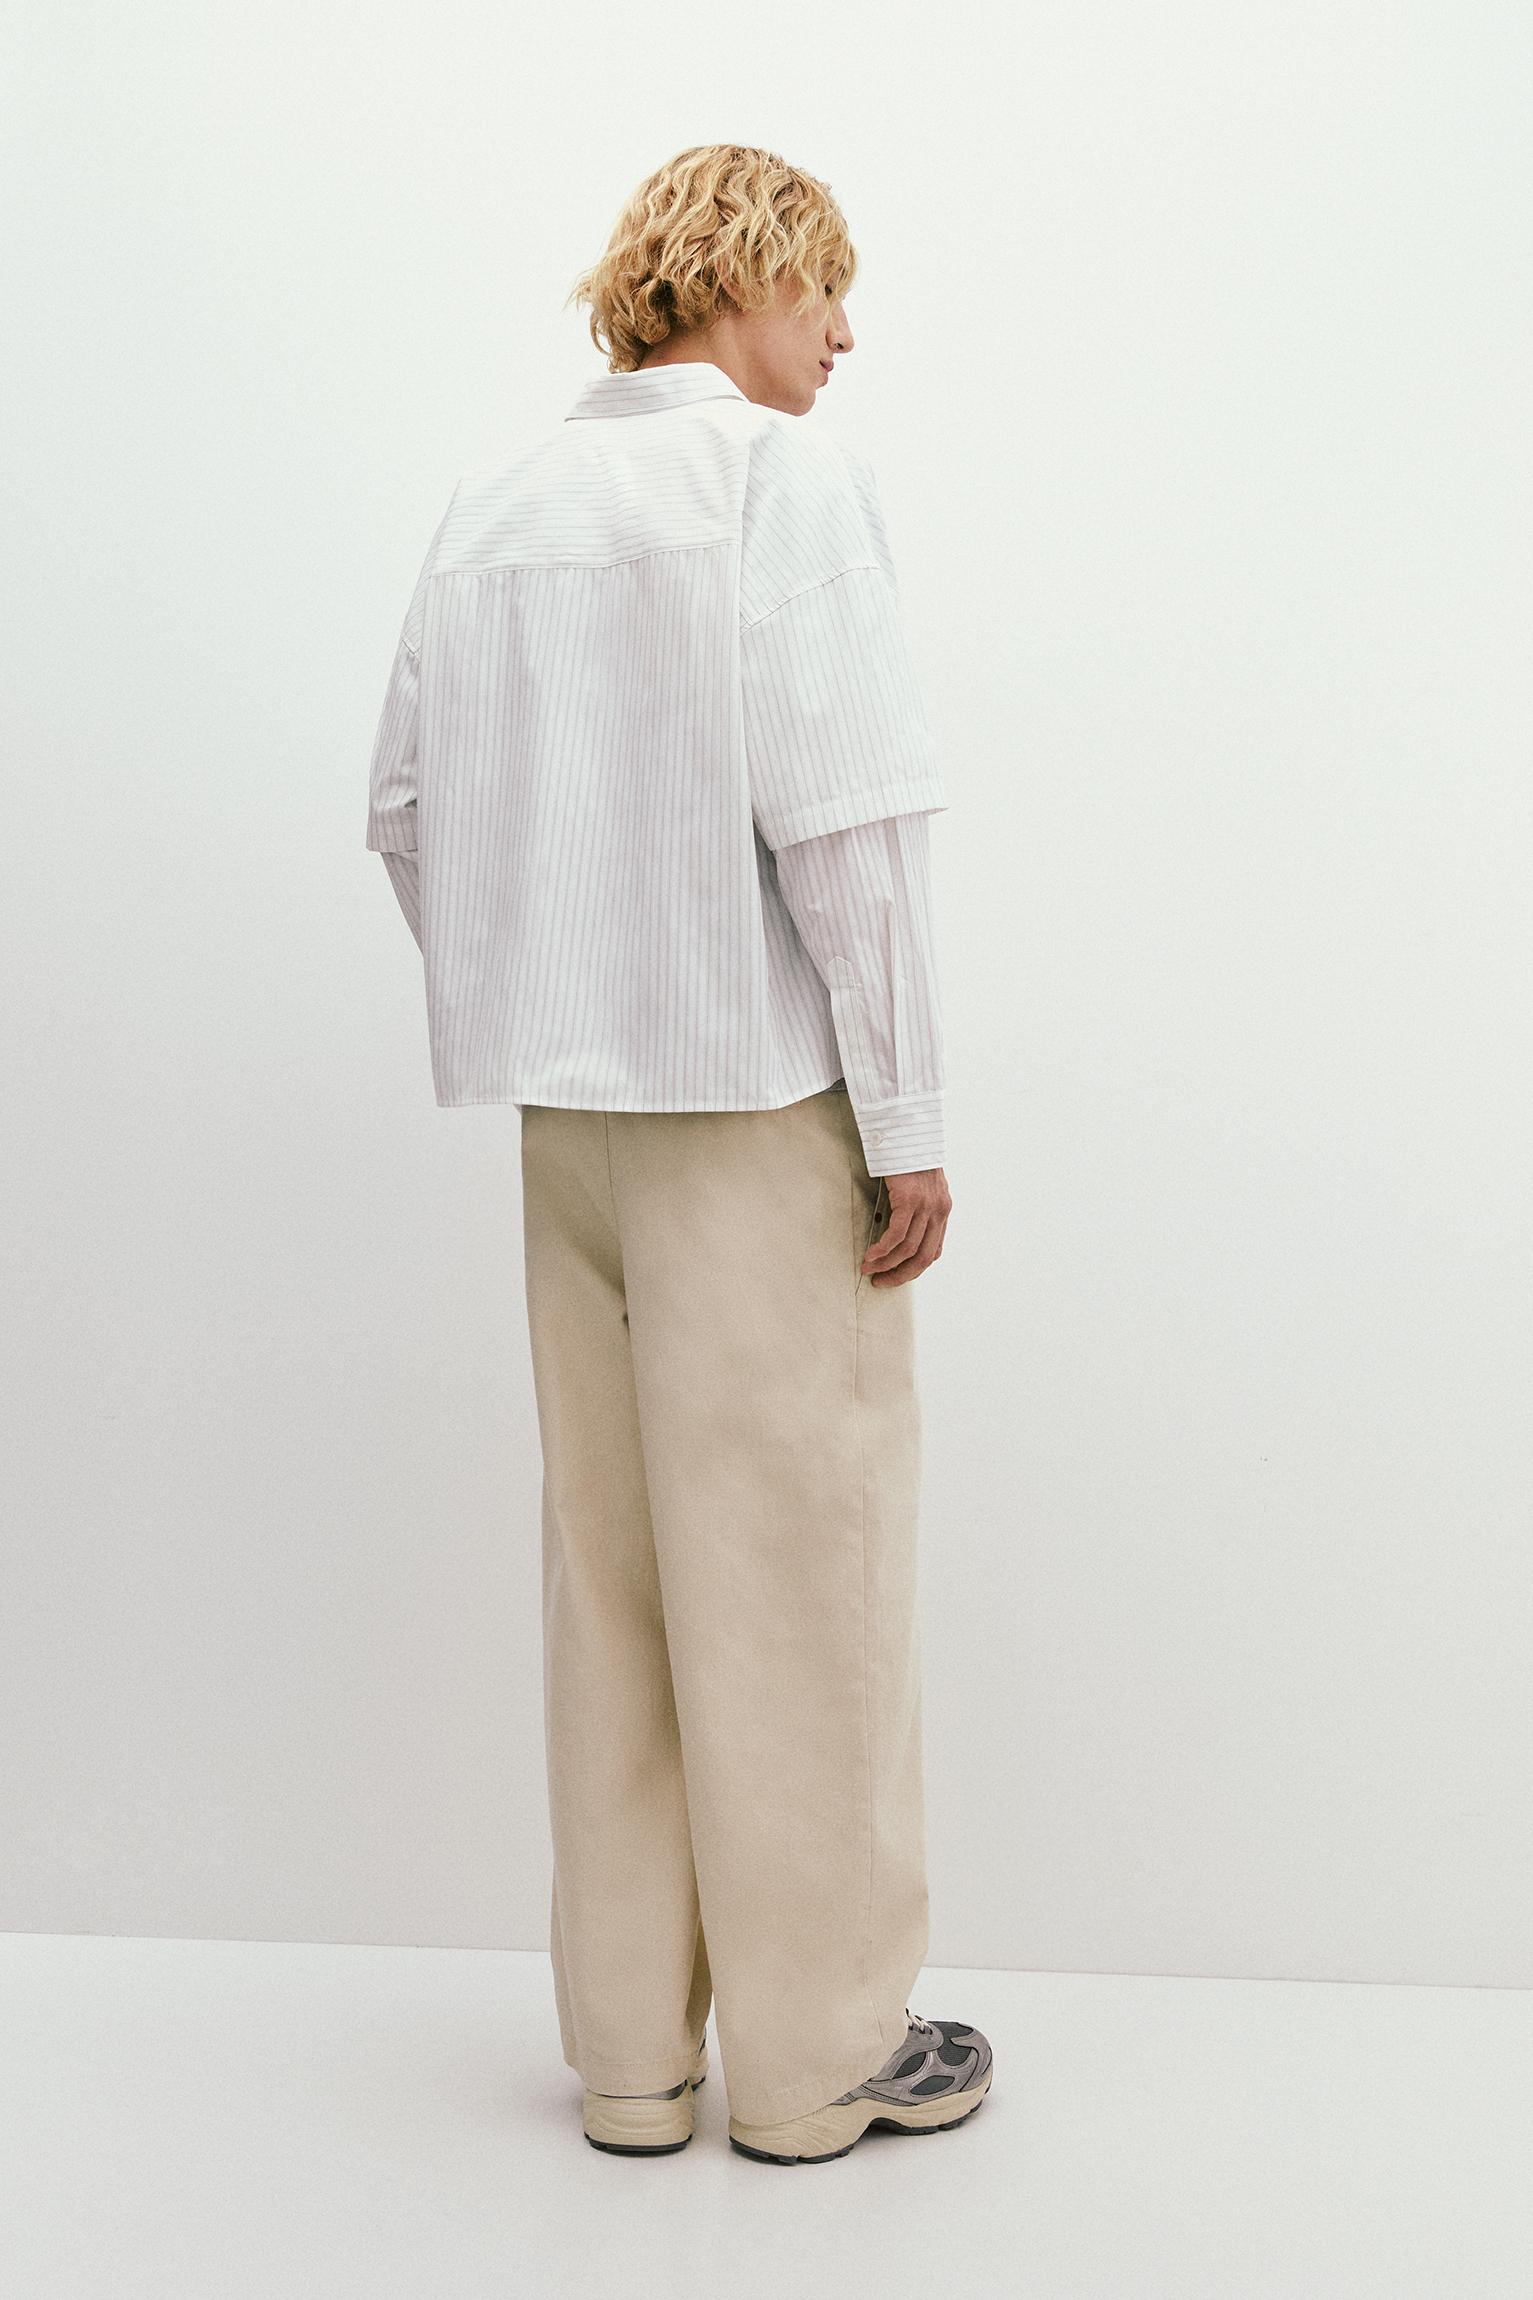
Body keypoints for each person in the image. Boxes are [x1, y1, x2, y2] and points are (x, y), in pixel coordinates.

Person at [365, 142, 992, 2165]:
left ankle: (632, 2055)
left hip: (568, 1128)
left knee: (614, 1574)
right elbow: (849, 817)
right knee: (800, 1577)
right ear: (744, 272)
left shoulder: (495, 502)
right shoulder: (774, 482)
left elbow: (403, 810)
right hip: (751, 1115)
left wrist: (546, 981)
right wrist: (903, 1114)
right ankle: (817, 2061)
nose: (844, 334)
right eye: (826, 289)